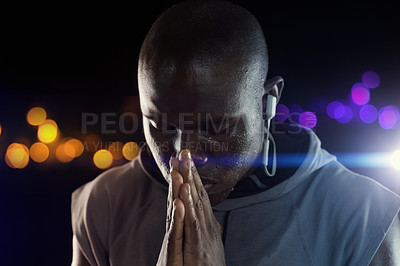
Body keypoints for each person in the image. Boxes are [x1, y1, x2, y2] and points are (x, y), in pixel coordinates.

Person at [71, 0, 400, 265]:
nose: (185, 155)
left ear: (267, 102)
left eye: (216, 126)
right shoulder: (104, 204)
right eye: (161, 126)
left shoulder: (366, 220)